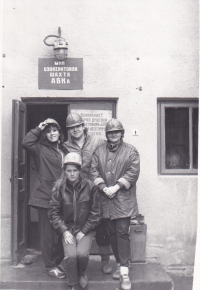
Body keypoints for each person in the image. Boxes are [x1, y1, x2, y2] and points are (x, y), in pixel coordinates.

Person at [90, 118, 140, 290]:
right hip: (105, 199)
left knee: (122, 232)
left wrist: (117, 187)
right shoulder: (99, 151)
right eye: (110, 132)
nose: (113, 135)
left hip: (123, 200)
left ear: (122, 133)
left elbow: (133, 173)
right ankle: (121, 263)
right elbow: (93, 170)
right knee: (111, 233)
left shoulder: (131, 151)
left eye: (116, 132)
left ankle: (124, 272)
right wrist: (104, 188)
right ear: (107, 134)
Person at [62, 112, 113, 274]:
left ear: (84, 126)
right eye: (71, 128)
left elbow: (110, 157)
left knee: (103, 226)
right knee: (78, 224)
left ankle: (105, 260)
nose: (75, 130)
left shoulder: (97, 141)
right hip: (77, 192)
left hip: (98, 189)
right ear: (69, 130)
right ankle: (75, 260)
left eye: (78, 126)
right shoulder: (65, 146)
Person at [48, 152, 102, 290]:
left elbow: (96, 213)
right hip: (68, 229)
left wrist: (84, 231)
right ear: (64, 172)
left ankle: (81, 273)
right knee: (71, 256)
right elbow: (53, 212)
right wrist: (64, 231)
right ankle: (72, 284)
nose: (72, 174)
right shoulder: (58, 187)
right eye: (69, 171)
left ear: (80, 171)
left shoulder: (90, 186)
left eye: (75, 171)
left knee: (82, 254)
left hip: (86, 228)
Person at [22, 118, 67, 278]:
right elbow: (27, 143)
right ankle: (50, 266)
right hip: (45, 197)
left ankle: (58, 262)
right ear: (44, 135)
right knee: (47, 234)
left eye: (54, 130)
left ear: (59, 132)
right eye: (48, 132)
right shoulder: (40, 149)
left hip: (63, 198)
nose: (51, 134)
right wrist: (38, 128)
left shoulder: (64, 150)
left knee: (63, 231)